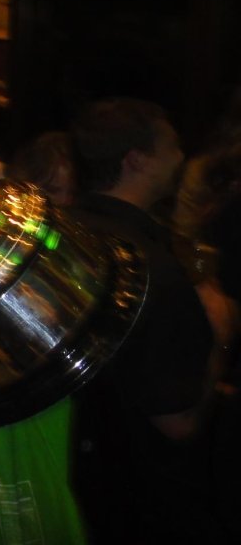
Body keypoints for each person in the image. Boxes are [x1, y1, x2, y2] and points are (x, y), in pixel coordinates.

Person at [69, 97, 226, 543]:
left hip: (65, 483)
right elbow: (179, 421)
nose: (182, 158)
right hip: (135, 505)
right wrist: (221, 336)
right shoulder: (148, 265)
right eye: (172, 147)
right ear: (137, 160)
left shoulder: (61, 232)